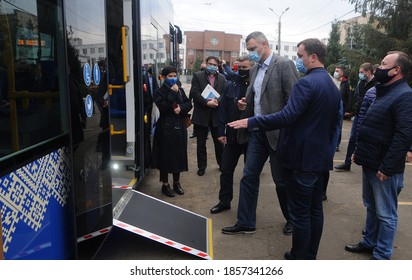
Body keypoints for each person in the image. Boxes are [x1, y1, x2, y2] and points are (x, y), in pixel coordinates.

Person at [228, 38, 341, 260]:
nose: (298, 60)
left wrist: (251, 122)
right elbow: (333, 123)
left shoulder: (306, 83)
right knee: (315, 210)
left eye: (300, 56)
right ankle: (309, 254)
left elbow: (288, 115)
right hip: (320, 157)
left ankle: (299, 256)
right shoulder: (330, 84)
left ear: (313, 57)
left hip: (303, 157)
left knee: (301, 213)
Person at [221, 31, 298, 236]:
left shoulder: (283, 65)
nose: (251, 54)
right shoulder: (255, 70)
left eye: (253, 49)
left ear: (264, 44)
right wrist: (243, 104)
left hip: (278, 134)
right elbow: (256, 98)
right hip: (256, 133)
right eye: (248, 50)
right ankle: (246, 222)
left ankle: (293, 219)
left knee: (281, 180)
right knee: (248, 176)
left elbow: (294, 102)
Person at [344, 51, 412, 260]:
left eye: (383, 64)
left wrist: (388, 167)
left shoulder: (404, 95)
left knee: (386, 214)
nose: (379, 68)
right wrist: (359, 153)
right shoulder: (383, 91)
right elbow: (372, 127)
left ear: (396, 70)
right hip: (370, 160)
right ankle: (369, 242)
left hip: (384, 167)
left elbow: (404, 135)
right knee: (372, 207)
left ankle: (382, 254)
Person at [210, 54, 254, 214]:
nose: (242, 71)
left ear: (252, 67)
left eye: (245, 68)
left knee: (249, 176)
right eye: (239, 68)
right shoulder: (230, 85)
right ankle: (224, 201)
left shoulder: (257, 86)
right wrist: (221, 132)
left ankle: (247, 209)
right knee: (226, 170)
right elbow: (222, 110)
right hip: (232, 135)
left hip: (251, 136)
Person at [151, 66, 192, 197]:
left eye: (175, 75)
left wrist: (181, 108)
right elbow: (163, 107)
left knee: (178, 154)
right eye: (170, 76)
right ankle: (165, 184)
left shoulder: (180, 89)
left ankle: (176, 182)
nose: (173, 78)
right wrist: (173, 93)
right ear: (164, 78)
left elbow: (188, 103)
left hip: (179, 125)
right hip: (165, 127)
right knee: (165, 156)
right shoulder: (158, 92)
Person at [335, 63, 377, 172]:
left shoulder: (376, 84)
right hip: (359, 114)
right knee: (352, 139)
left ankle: (368, 164)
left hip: (370, 117)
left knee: (367, 140)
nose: (360, 74)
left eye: (362, 72)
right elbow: (356, 97)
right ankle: (347, 162)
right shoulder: (361, 82)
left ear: (369, 72)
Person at [189, 56, 226, 176]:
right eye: (210, 64)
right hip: (201, 114)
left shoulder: (222, 78)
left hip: (216, 115)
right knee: (201, 144)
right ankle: (202, 167)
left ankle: (222, 164)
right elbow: (195, 92)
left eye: (215, 65)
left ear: (218, 66)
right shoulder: (198, 76)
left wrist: (218, 101)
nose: (212, 66)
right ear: (206, 64)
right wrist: (206, 103)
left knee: (219, 143)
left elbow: (224, 93)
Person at [334, 66, 351, 152]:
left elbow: (348, 97)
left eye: (337, 71)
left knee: (339, 127)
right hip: (332, 107)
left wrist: (347, 110)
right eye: (335, 71)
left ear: (342, 73)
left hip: (341, 108)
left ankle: (336, 144)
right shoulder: (333, 81)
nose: (335, 72)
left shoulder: (345, 83)